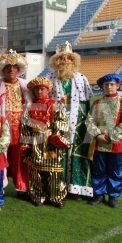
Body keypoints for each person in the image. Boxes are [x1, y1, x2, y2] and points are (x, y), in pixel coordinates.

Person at [45, 41, 94, 200]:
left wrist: (86, 125)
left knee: (77, 153)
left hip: (78, 123)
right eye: (61, 58)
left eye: (68, 57)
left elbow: (87, 103)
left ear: (73, 60)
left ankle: (76, 189)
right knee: (58, 151)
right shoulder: (49, 77)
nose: (65, 60)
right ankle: (57, 187)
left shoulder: (81, 78)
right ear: (56, 60)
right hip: (56, 121)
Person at [0, 50, 33, 198]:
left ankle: (21, 187)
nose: (11, 70)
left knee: (20, 156)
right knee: (0, 154)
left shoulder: (25, 85)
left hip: (21, 127)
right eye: (8, 68)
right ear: (3, 70)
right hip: (1, 127)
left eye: (14, 67)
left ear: (18, 70)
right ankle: (0, 185)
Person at [20, 77, 70, 208]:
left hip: (50, 142)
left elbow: (62, 123)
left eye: (42, 89)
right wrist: (25, 144)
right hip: (35, 143)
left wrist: (56, 137)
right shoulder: (29, 107)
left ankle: (57, 197)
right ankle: (38, 196)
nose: (39, 92)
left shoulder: (55, 105)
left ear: (48, 90)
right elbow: (25, 128)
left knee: (54, 171)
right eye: (36, 89)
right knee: (35, 171)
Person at [86, 73, 122, 208]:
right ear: (102, 87)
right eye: (106, 85)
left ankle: (113, 196)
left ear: (117, 85)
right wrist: (98, 134)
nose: (109, 87)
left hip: (116, 144)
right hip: (99, 144)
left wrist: (111, 137)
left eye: (112, 84)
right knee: (99, 170)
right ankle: (99, 194)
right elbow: (89, 121)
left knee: (115, 170)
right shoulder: (97, 103)